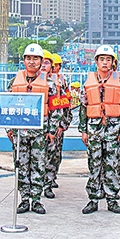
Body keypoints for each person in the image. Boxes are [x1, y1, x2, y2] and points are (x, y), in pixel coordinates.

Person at [79, 45, 120, 214]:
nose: (104, 62)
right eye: (101, 59)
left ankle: (112, 199)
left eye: (108, 59)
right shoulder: (89, 81)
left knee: (112, 165)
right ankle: (93, 199)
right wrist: (84, 130)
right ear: (96, 61)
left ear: (113, 62)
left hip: (114, 130)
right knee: (94, 164)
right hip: (94, 129)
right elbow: (83, 107)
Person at [8, 42, 57, 214]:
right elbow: (6, 105)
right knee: (21, 164)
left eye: (35, 58)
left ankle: (36, 199)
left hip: (40, 133)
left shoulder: (50, 84)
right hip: (20, 132)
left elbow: (55, 110)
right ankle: (24, 199)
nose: (32, 62)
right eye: (28, 58)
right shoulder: (14, 82)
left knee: (38, 165)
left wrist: (51, 131)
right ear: (23, 61)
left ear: (41, 61)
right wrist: (9, 129)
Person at [44, 52, 72, 198]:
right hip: (33, 128)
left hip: (55, 126)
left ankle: (48, 182)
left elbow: (65, 105)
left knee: (53, 156)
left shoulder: (60, 83)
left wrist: (62, 125)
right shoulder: (24, 80)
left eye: (48, 63)